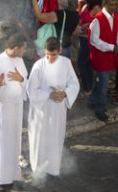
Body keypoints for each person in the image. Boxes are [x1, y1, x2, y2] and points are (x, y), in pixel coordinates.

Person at [27, 36, 80, 180]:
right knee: (40, 138)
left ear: (60, 51)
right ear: (44, 51)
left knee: (55, 137)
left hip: (58, 109)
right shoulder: (38, 66)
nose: (50, 58)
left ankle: (53, 168)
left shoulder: (66, 63)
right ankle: (38, 169)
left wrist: (65, 93)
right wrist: (49, 95)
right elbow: (31, 89)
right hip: (42, 109)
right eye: (48, 55)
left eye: (54, 55)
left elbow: (74, 84)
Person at [0, 34, 28, 192]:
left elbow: (26, 82)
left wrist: (21, 79)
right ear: (15, 47)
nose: (25, 50)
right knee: (2, 145)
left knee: (14, 144)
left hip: (17, 107)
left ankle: (12, 176)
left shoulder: (20, 60)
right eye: (23, 47)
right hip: (3, 109)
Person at [88, 0, 118, 122]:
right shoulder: (98, 19)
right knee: (103, 83)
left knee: (101, 82)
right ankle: (100, 110)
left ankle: (92, 101)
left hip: (109, 54)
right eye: (111, 5)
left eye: (115, 5)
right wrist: (112, 47)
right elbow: (94, 40)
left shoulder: (116, 16)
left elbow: (117, 32)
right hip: (100, 57)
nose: (114, 7)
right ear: (105, 4)